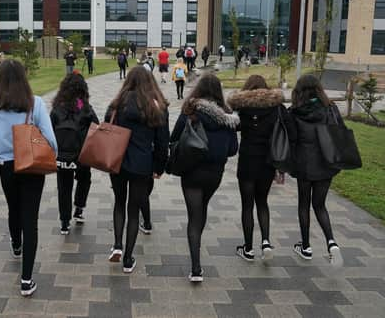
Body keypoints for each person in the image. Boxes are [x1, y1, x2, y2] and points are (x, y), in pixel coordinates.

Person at [0, 59, 58, 297]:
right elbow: (51, 138)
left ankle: (16, 244)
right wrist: (55, 157)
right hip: (32, 166)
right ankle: (26, 279)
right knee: (30, 219)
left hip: (6, 167)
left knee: (13, 207)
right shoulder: (35, 104)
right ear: (24, 77)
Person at [170, 73, 239, 283]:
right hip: (214, 174)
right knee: (202, 209)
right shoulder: (228, 117)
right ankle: (197, 245)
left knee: (193, 215)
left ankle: (196, 268)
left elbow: (174, 138)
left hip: (191, 170)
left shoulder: (190, 111)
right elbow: (233, 149)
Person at [105, 67, 169, 273]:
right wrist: (159, 167)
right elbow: (162, 142)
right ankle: (128, 258)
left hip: (116, 161)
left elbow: (106, 128)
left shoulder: (116, 105)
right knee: (134, 211)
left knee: (119, 203)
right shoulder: (156, 107)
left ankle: (116, 245)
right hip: (142, 164)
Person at [227, 75, 296, 262]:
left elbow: (233, 127)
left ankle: (248, 248)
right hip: (268, 161)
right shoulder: (277, 107)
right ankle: (265, 241)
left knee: (247, 205)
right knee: (263, 202)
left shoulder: (242, 107)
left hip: (248, 160)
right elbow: (290, 129)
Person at [289, 74, 343, 266]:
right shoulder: (331, 109)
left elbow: (291, 140)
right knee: (320, 205)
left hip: (304, 165)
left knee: (304, 204)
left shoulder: (295, 112)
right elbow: (340, 133)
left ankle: (305, 246)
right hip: (326, 164)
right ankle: (331, 242)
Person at [51, 73, 99, 235]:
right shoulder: (85, 107)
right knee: (85, 179)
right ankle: (79, 207)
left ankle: (65, 222)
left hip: (62, 155)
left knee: (64, 187)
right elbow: (96, 127)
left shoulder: (58, 107)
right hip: (81, 154)